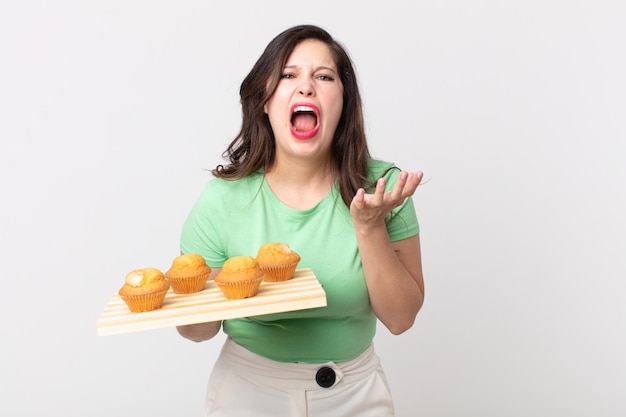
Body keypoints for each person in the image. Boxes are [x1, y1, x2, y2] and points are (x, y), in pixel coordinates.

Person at [176, 24, 425, 417]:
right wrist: (197, 298)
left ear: (343, 101)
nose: (306, 87)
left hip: (357, 395)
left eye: (323, 77)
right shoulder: (221, 200)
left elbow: (401, 318)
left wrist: (369, 226)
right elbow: (196, 332)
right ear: (265, 99)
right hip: (248, 393)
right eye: (288, 75)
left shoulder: (381, 189)